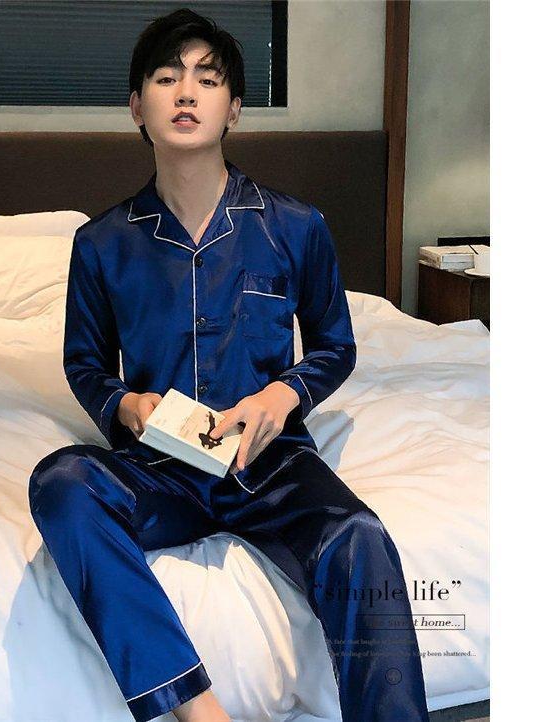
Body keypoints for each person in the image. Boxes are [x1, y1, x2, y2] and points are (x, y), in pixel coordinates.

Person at [29, 8, 430, 722]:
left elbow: (335, 345)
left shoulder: (296, 225)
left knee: (359, 537)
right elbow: (86, 363)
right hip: (161, 466)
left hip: (270, 463)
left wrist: (283, 395)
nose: (186, 93)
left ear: (234, 108)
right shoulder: (101, 244)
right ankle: (194, 707)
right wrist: (126, 406)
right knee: (62, 484)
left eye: (207, 80)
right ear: (137, 107)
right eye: (166, 78)